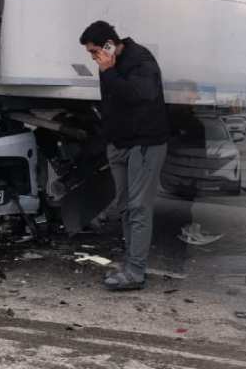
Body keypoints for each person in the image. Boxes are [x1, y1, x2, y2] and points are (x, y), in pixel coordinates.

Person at [79, 20, 169, 291]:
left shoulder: (140, 60)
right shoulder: (108, 66)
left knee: (139, 207)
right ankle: (131, 265)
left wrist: (108, 72)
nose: (93, 57)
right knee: (126, 207)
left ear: (109, 44)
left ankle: (136, 272)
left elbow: (140, 94)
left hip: (144, 143)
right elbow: (112, 103)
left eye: (94, 51)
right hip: (120, 144)